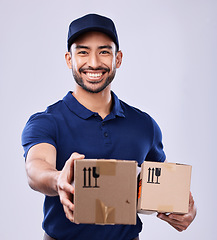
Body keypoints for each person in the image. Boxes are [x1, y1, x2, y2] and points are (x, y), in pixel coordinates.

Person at [22, 13, 196, 240]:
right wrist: (58, 180)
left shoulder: (144, 125)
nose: (93, 63)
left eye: (104, 52)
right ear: (68, 59)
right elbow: (36, 167)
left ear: (118, 59)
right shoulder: (47, 121)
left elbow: (158, 186)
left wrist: (185, 209)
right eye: (83, 52)